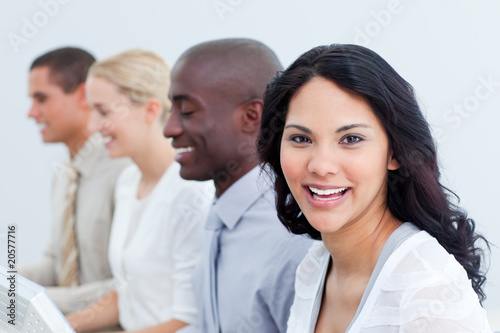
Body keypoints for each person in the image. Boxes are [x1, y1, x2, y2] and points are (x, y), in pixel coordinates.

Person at [257, 44, 493, 332]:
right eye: (301, 139)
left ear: (395, 153)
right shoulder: (316, 266)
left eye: (351, 139)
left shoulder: (426, 291)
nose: (320, 166)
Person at [163, 38, 314, 333]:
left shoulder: (291, 236)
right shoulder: (224, 212)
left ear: (251, 117)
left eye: (188, 111)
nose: (169, 128)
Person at [65, 49, 213, 333]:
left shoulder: (190, 194)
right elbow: (129, 295)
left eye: (103, 112)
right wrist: (59, 327)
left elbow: (189, 321)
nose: (92, 126)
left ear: (150, 110)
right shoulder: (129, 181)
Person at [22, 47, 130, 314]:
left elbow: (133, 286)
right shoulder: (64, 175)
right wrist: (8, 283)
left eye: (41, 98)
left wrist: (39, 302)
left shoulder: (125, 171)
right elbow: (55, 263)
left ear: (83, 95)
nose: (31, 113)